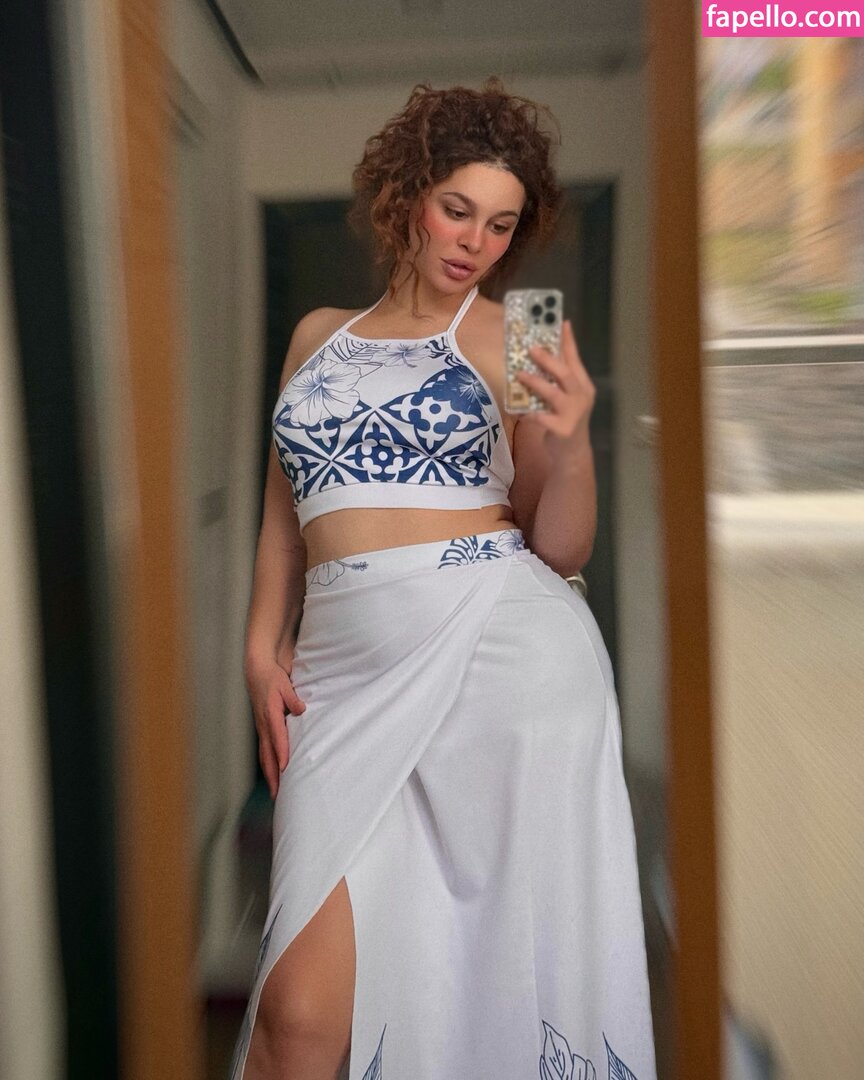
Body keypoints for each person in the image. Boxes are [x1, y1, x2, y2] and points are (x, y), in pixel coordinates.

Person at [230, 77, 657, 1080]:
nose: (475, 241)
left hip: (498, 657)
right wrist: (259, 644)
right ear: (408, 193)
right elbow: (286, 515)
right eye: (457, 209)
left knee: (488, 980)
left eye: (501, 225)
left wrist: (575, 443)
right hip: (339, 679)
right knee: (297, 1015)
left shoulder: (528, 328)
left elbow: (558, 545)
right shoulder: (316, 333)